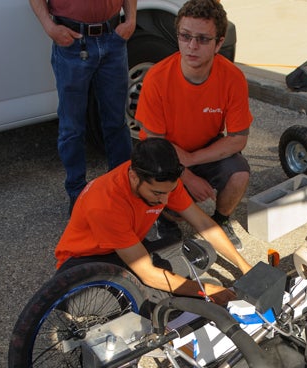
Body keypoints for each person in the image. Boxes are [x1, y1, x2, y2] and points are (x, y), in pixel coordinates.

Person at [55, 138, 251, 303]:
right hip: (84, 261)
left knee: (205, 254)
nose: (165, 200)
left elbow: (204, 224)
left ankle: (156, 290)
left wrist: (245, 267)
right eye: (157, 193)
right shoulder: (105, 204)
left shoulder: (161, 181)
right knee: (133, 295)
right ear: (133, 177)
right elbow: (148, 273)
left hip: (127, 248)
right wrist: (207, 290)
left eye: (169, 192)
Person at [135, 0, 252, 250]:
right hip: (165, 151)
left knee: (239, 174)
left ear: (219, 43)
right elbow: (156, 141)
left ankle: (221, 221)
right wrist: (186, 177)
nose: (192, 46)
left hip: (201, 150)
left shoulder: (233, 78)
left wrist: (192, 159)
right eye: (185, 36)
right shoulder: (157, 78)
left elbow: (238, 139)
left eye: (202, 39)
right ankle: (166, 221)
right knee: (176, 206)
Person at [30, 0, 137, 213]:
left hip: (113, 38)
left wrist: (132, 19)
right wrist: (49, 27)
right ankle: (77, 194)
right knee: (72, 127)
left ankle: (123, 190)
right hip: (72, 41)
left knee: (116, 123)